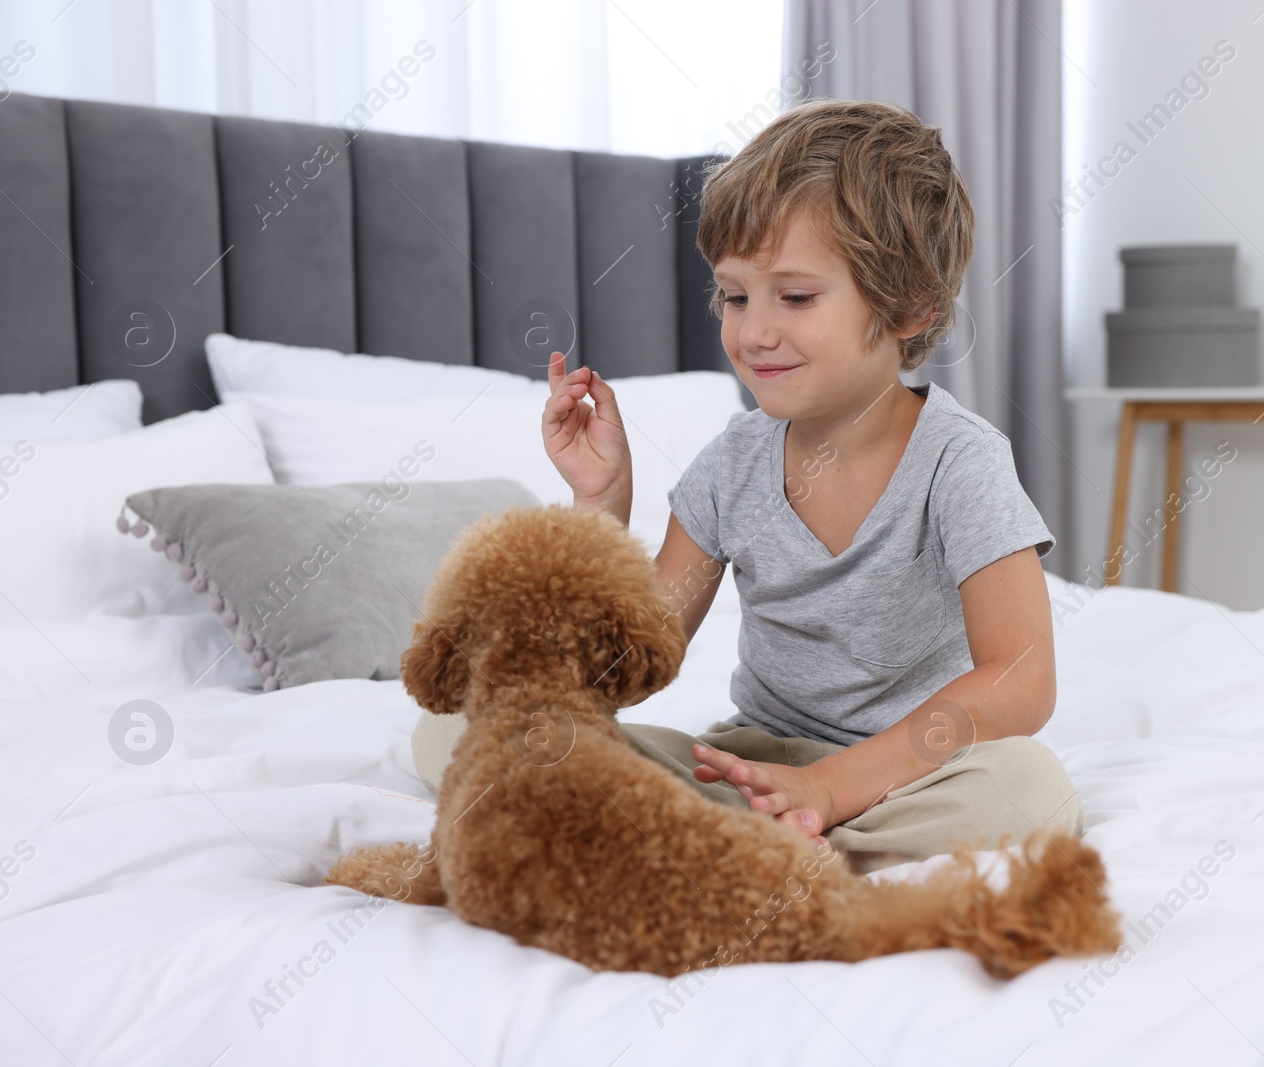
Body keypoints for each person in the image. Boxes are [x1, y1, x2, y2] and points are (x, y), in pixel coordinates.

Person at [416, 98, 1084, 875]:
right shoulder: (733, 467)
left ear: (910, 308)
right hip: (749, 767)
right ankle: (761, 833)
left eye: (794, 297)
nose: (753, 332)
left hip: (902, 771)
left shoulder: (958, 463)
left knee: (1032, 789)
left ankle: (739, 841)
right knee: (457, 729)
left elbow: (1021, 678)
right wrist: (602, 502)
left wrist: (833, 785)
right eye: (736, 296)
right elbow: (624, 669)